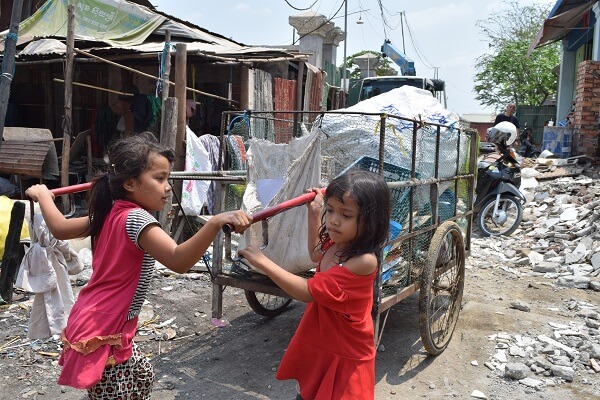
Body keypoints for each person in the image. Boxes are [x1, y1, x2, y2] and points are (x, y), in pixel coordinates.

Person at [25, 132, 252, 399]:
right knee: (116, 390)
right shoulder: (136, 220)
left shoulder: (111, 212)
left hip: (101, 318)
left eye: (168, 178)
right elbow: (179, 261)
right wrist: (214, 222)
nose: (168, 187)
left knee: (142, 374)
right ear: (131, 184)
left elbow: (61, 228)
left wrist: (43, 196)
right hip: (104, 325)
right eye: (159, 178)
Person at [239, 170, 391, 400]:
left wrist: (262, 261)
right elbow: (313, 254)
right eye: (330, 211)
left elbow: (308, 292)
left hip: (348, 352)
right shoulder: (336, 243)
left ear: (370, 221)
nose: (334, 220)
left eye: (346, 215)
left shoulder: (364, 261)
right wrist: (315, 211)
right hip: (327, 342)